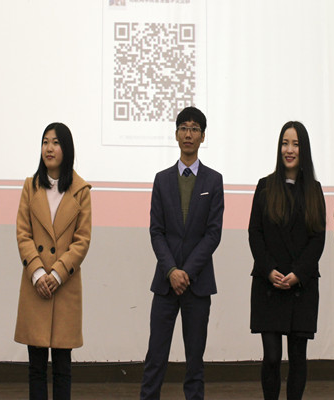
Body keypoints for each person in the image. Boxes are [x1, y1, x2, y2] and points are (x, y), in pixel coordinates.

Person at [140, 106, 224, 400]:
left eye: (194, 129)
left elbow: (213, 234)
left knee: (195, 361)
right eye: (184, 128)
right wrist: (172, 270)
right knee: (155, 357)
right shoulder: (162, 179)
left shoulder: (213, 180)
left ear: (203, 136)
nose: (189, 134)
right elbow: (156, 231)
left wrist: (186, 272)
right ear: (176, 134)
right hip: (166, 282)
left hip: (197, 284)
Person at [248, 121, 326, 400]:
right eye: (284, 143)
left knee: (297, 357)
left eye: (295, 144)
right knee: (271, 357)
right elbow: (255, 232)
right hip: (268, 284)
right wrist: (269, 269)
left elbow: (318, 238)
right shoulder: (265, 186)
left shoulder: (314, 189)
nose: (289, 150)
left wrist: (298, 273)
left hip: (301, 287)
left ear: (304, 149)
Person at [14, 122, 92, 400]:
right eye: (45, 142)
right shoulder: (30, 186)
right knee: (36, 367)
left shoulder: (81, 190)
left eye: (56, 142)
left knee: (62, 367)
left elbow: (82, 241)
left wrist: (56, 275)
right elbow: (23, 234)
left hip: (64, 286)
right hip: (35, 285)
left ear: (66, 149)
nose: (49, 148)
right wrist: (38, 274)